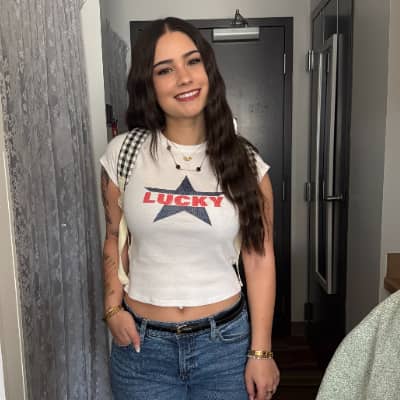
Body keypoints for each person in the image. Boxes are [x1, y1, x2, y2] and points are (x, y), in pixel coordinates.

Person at [100, 17, 279, 400]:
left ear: (208, 70)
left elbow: (260, 258)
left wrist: (261, 351)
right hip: (142, 350)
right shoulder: (124, 154)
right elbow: (114, 237)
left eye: (192, 62)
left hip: (225, 349)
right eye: (165, 70)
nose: (184, 78)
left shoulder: (247, 163)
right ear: (149, 84)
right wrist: (112, 308)